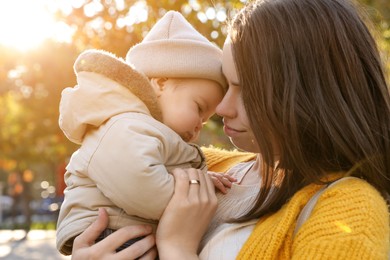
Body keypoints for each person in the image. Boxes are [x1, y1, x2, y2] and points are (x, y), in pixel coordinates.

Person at [72, 0, 390, 259]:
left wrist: (177, 248)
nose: (222, 108)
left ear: (308, 93)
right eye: (226, 84)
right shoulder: (199, 164)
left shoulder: (350, 211)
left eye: (244, 89)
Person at [56, 10, 231, 255]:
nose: (199, 126)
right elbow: (137, 181)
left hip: (125, 230)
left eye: (205, 119)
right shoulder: (124, 123)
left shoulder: (144, 129)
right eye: (199, 108)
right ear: (160, 83)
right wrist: (190, 196)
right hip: (110, 232)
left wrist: (196, 181)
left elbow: (151, 169)